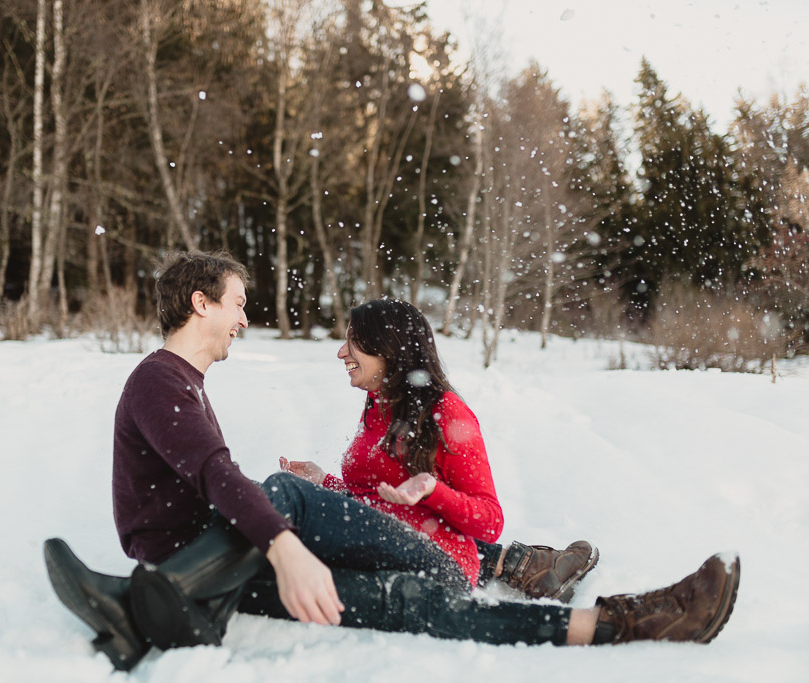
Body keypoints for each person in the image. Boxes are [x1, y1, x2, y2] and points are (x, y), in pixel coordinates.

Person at [43, 250, 740, 673]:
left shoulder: (446, 416)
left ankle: (145, 601)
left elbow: (222, 478)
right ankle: (618, 622)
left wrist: (305, 525)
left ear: (390, 354)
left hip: (436, 550)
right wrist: (309, 514)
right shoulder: (163, 379)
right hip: (320, 560)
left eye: (356, 346)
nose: (244, 318)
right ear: (201, 303)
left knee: (280, 494)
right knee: (405, 604)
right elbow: (218, 476)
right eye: (236, 304)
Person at [280, 298, 596, 600]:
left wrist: (433, 491)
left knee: (290, 516)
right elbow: (376, 498)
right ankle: (525, 566)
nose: (340, 352)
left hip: (435, 564)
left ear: (388, 347)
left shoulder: (446, 413)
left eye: (354, 342)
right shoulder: (378, 405)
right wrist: (324, 482)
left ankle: (526, 567)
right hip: (381, 543)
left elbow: (490, 521)